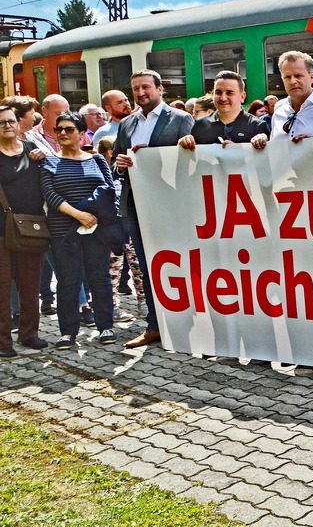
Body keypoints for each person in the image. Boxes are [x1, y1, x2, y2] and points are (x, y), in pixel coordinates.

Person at [115, 70, 194, 349]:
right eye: (135, 88)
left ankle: (188, 325)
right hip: (137, 204)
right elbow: (115, 160)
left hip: (171, 205)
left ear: (160, 89)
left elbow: (192, 161)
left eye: (146, 87)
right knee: (148, 266)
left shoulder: (181, 119)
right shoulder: (126, 124)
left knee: (178, 263)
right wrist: (120, 163)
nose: (140, 93)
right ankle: (154, 325)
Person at [41, 113, 120, 349]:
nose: (63, 133)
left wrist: (96, 217)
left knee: (100, 278)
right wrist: (79, 215)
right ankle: (68, 333)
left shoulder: (95, 160)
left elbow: (109, 190)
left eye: (69, 129)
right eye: (59, 130)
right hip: (63, 231)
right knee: (68, 281)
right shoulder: (49, 162)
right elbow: (50, 195)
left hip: (96, 230)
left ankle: (105, 326)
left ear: (82, 133)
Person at [0, 105, 48, 355]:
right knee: (2, 287)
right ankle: (3, 341)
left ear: (18, 124)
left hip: (31, 227)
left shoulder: (32, 150)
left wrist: (45, 156)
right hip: (0, 231)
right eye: (2, 123)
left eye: (11, 121)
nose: (8, 126)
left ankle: (29, 334)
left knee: (31, 285)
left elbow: (55, 169)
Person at [264, 52, 313, 144]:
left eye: (298, 76)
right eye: (287, 77)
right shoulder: (278, 114)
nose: (293, 81)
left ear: (312, 77)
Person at [178, 71, 270, 149]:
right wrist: (183, 145)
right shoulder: (200, 125)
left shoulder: (257, 126)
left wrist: (241, 153)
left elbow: (265, 164)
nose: (223, 98)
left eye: (229, 93)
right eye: (218, 92)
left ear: (242, 96)